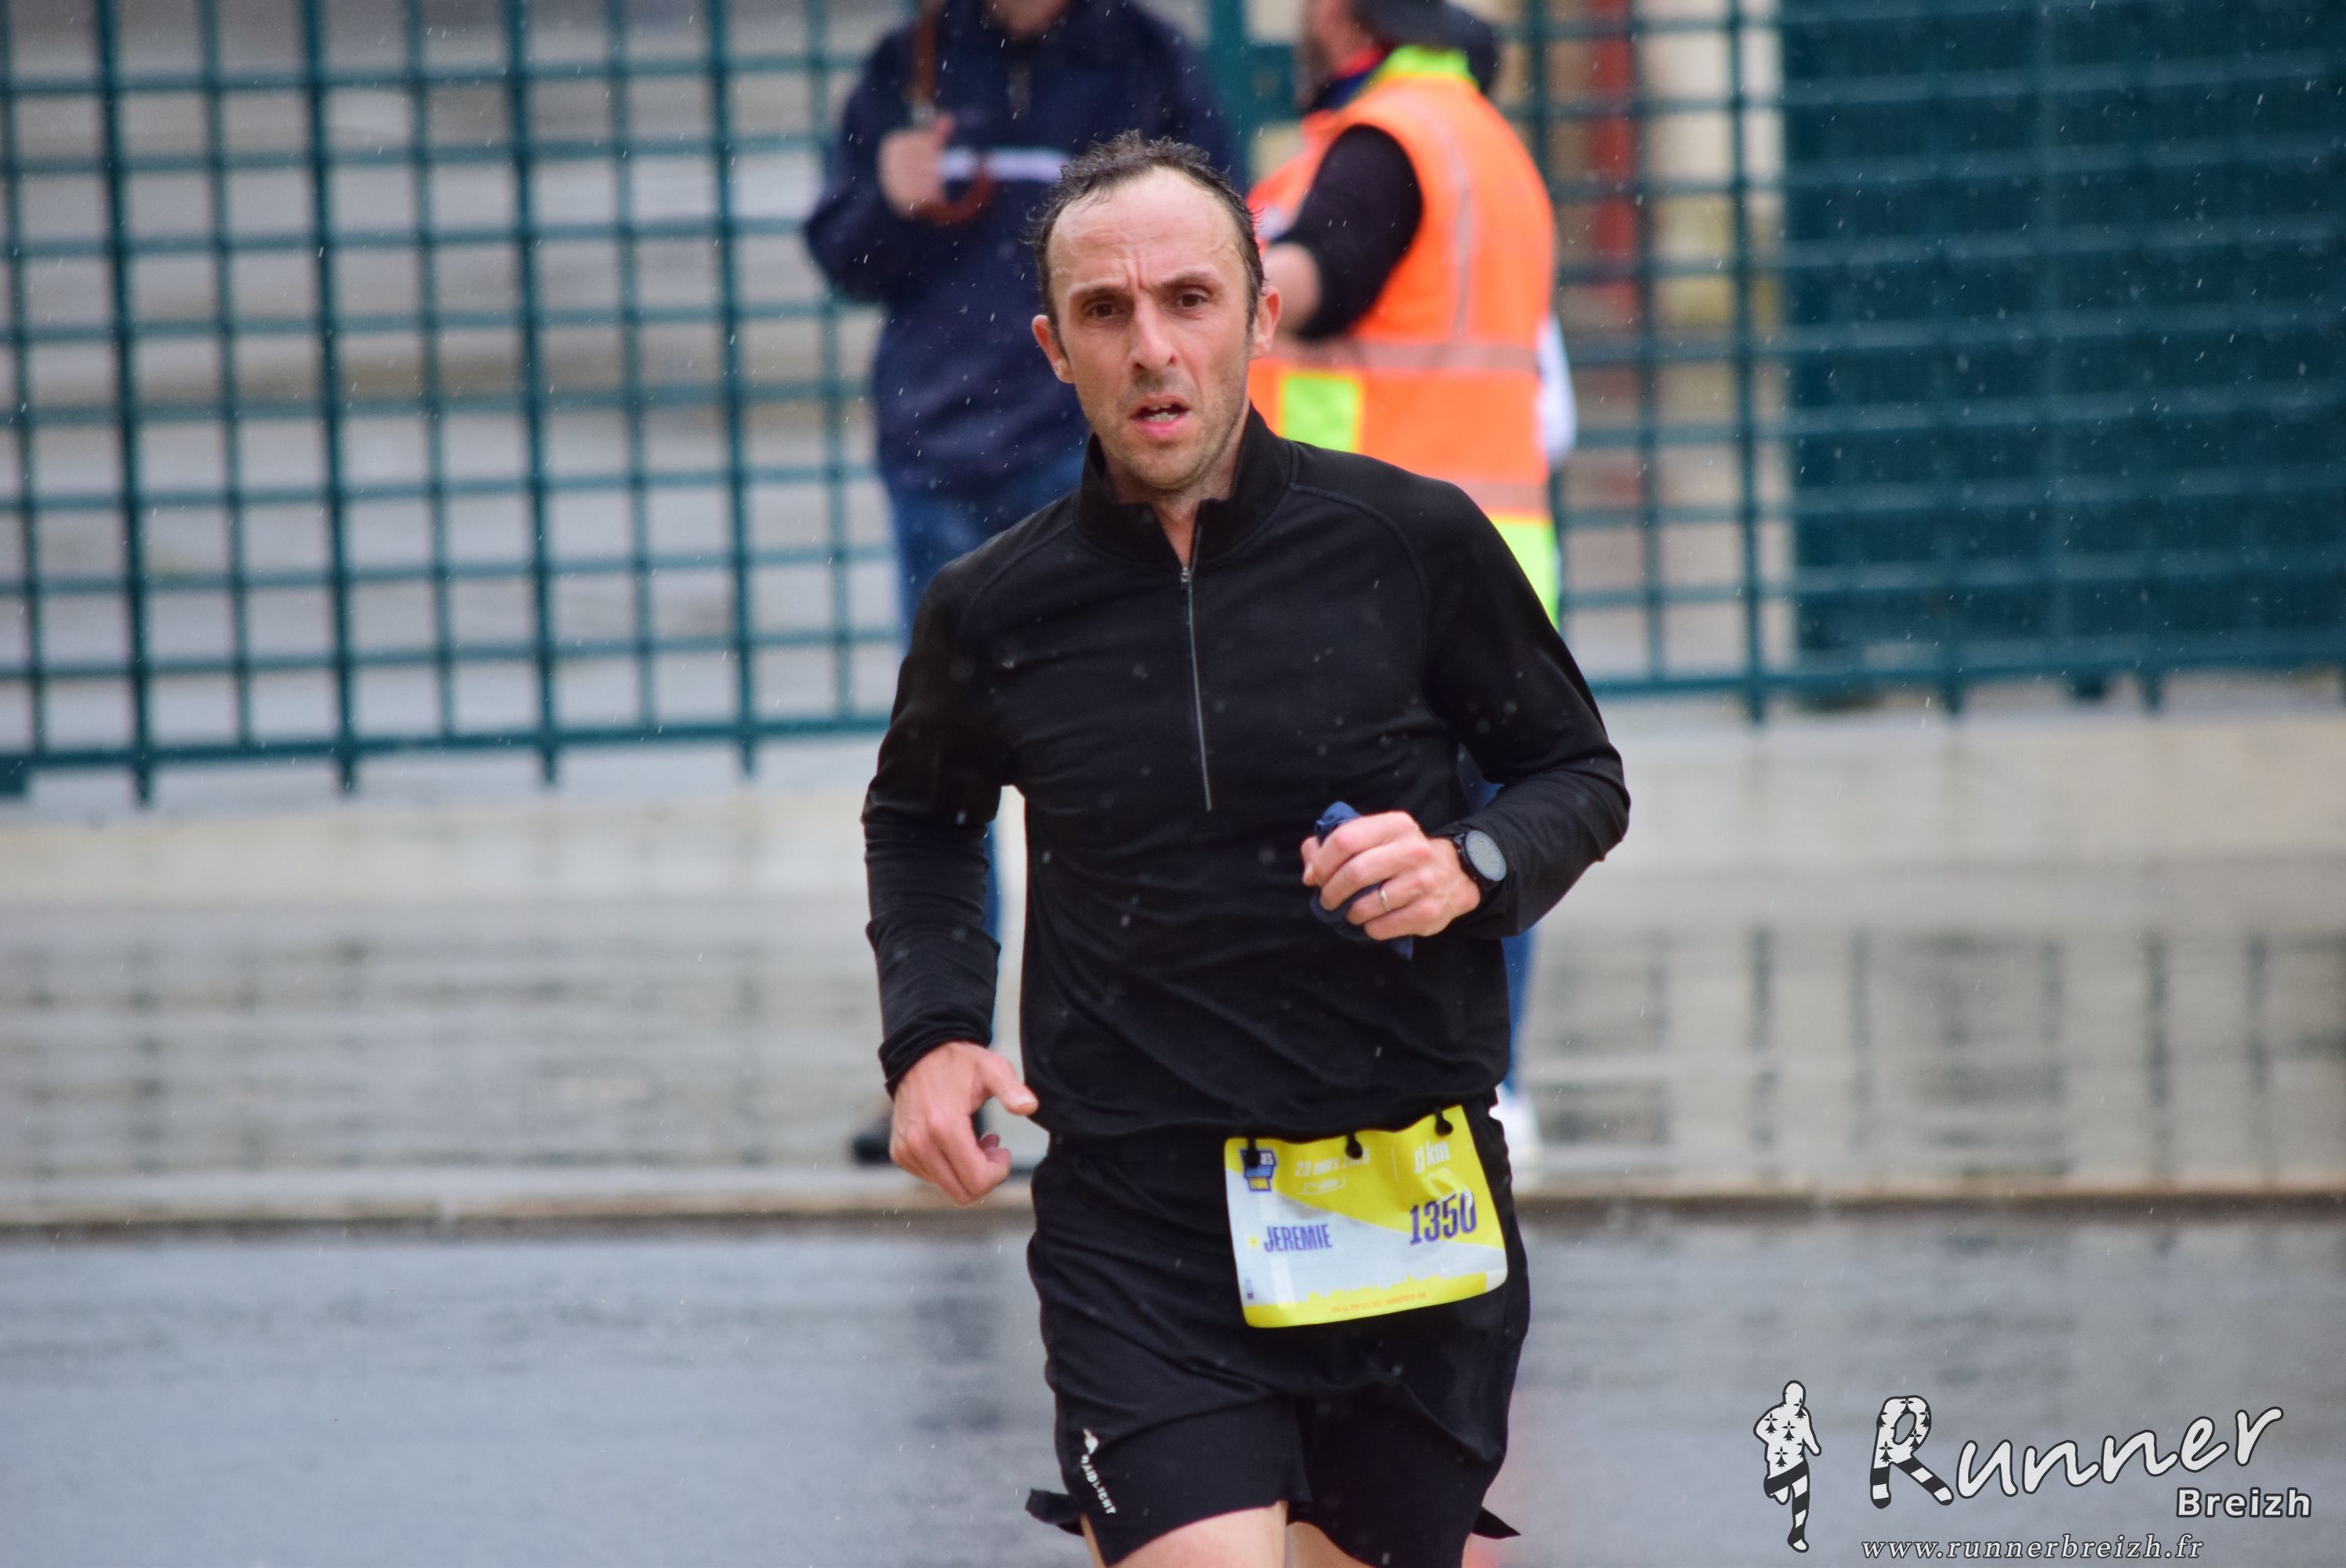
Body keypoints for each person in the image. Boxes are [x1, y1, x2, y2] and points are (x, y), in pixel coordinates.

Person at [864, 133, 1627, 1566]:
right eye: (1105, 312)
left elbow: (1574, 772)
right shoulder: (995, 608)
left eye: (1190, 300)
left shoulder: (1412, 544)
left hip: (1403, 1197)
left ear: (1262, 314)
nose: (1152, 349)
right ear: (1054, 350)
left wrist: (1468, 867)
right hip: (1139, 1224)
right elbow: (923, 817)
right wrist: (934, 1034)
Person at [805, 0, 1233, 1164]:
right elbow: (843, 255)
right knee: (950, 778)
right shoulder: (911, 63)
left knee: (1117, 762)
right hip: (938, 462)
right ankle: (954, 1068)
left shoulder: (1143, 58)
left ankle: (1128, 1066)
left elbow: (1218, 244)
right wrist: (887, 196)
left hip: (1089, 458)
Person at [1247, 0, 1573, 1165]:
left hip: (1384, 556)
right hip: (1498, 544)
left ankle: (1421, 1090)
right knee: (1490, 827)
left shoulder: (1388, 141)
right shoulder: (1481, 138)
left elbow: (1328, 278)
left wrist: (1210, 280)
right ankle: (1493, 1082)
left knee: (1385, 838)